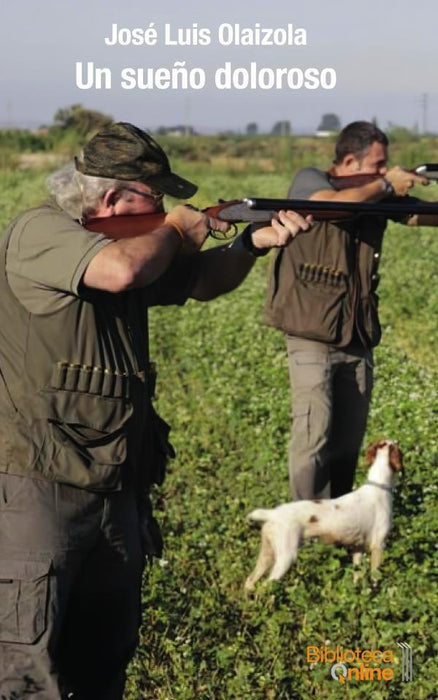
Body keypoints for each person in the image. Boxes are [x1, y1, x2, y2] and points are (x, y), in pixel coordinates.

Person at [0, 122, 311, 699]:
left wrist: (250, 243)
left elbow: (201, 281)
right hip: (37, 484)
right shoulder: (41, 232)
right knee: (27, 668)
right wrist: (174, 228)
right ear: (114, 197)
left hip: (116, 481)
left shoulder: (132, 242)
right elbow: (122, 270)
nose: (166, 206)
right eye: (155, 195)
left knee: (102, 656)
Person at [265, 120, 438, 500]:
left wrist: (396, 191)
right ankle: (306, 522)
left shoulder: (374, 195)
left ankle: (338, 522)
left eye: (384, 166)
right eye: (377, 165)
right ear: (346, 160)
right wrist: (387, 184)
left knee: (347, 439)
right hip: (310, 329)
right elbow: (330, 206)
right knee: (313, 435)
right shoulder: (311, 180)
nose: (382, 171)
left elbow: (421, 214)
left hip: (356, 332)